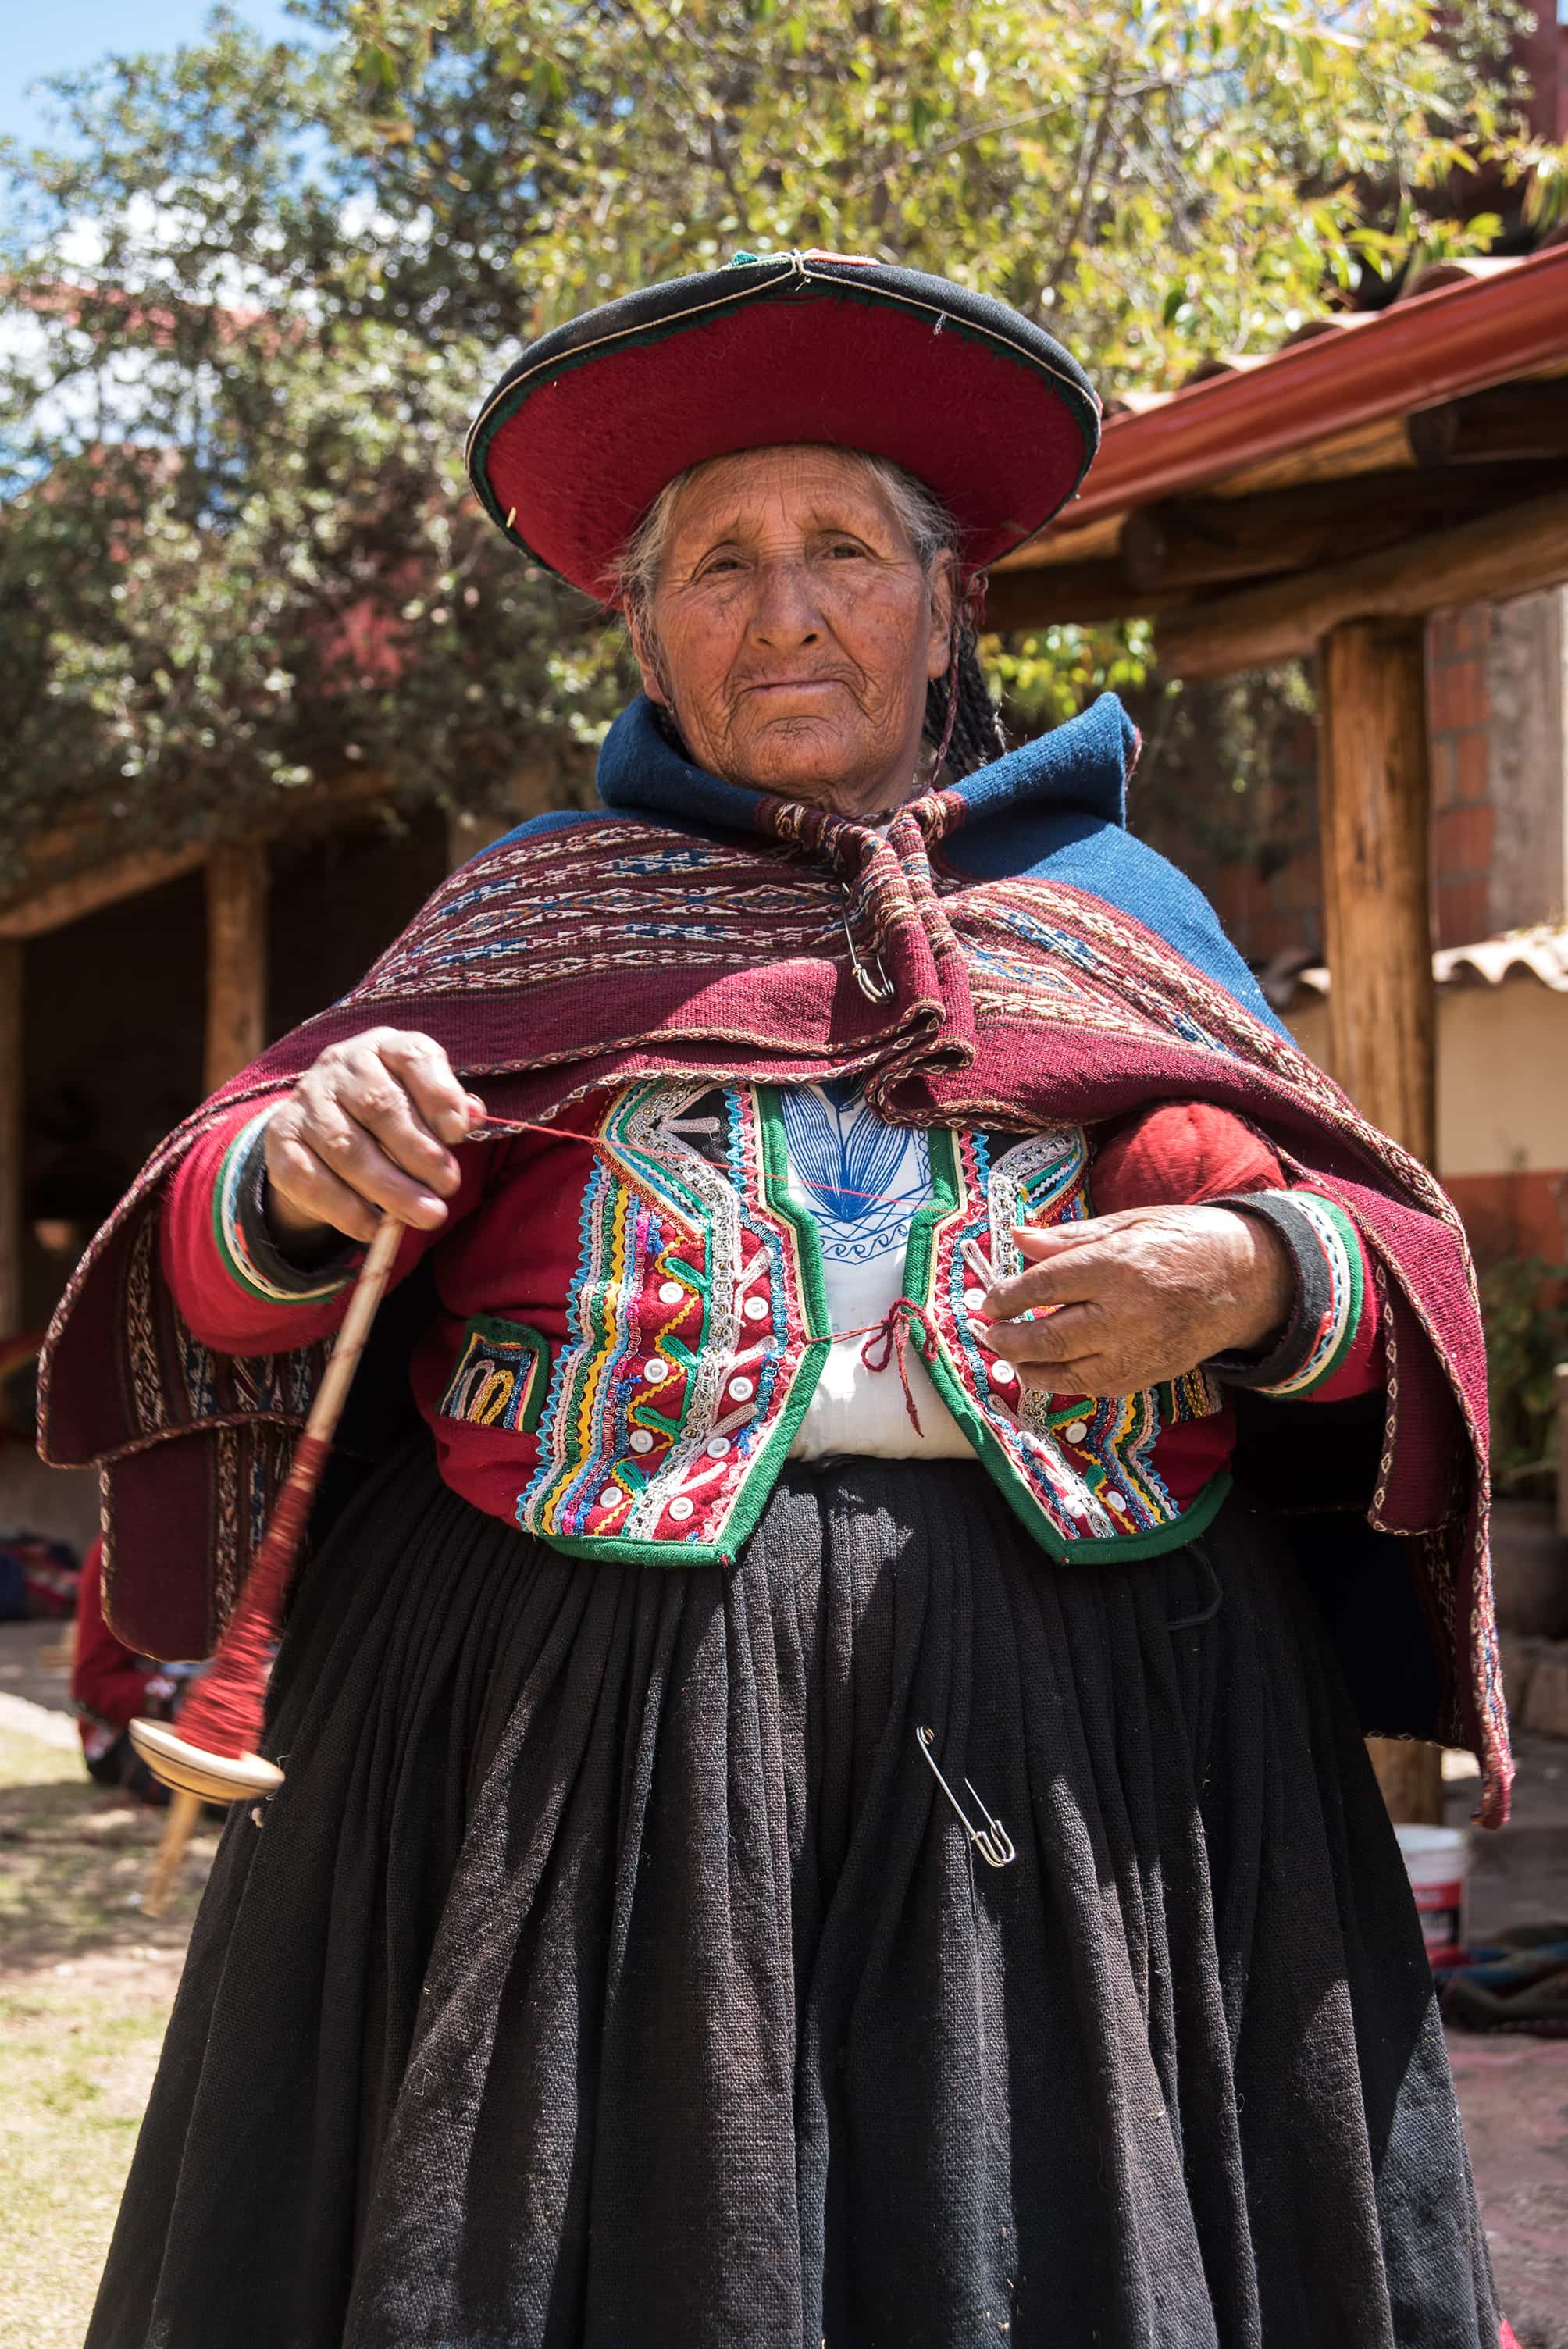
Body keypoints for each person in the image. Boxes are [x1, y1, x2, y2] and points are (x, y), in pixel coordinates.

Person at [44, 252, 1509, 2349]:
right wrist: (296, 1160)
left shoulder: (1122, 918)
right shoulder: (528, 916)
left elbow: (1393, 1276)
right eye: (716, 561)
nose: (784, 602)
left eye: (843, 545)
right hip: (560, 1732)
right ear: (638, 628)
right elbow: (212, 1249)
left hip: (1092, 1719)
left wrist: (1251, 1271)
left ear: (946, 604)